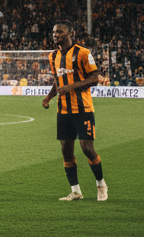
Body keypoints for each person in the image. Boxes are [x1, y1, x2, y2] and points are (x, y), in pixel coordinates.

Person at [42, 21, 107, 202]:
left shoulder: (83, 53)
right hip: (63, 111)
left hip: (83, 109)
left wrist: (71, 87)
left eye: (59, 32)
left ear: (69, 33)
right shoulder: (52, 56)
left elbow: (95, 78)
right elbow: (58, 81)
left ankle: (101, 184)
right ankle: (76, 191)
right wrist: (49, 97)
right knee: (66, 150)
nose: (55, 35)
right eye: (54, 32)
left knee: (87, 148)